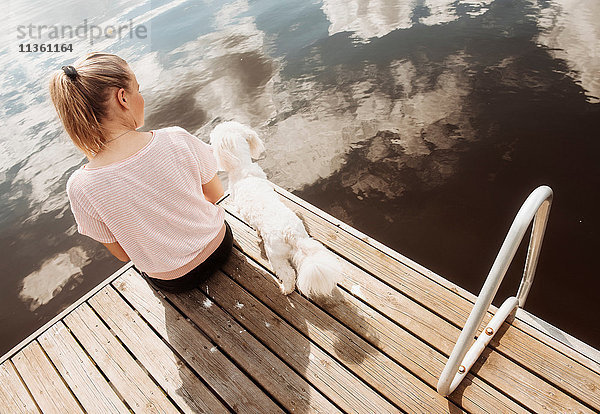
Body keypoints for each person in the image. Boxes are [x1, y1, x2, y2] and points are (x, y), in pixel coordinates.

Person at [49, 52, 233, 293]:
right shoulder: (176, 138)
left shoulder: (80, 186)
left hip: (174, 281)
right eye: (138, 89)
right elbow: (216, 194)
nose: (142, 97)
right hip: (220, 246)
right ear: (123, 97)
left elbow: (124, 254)